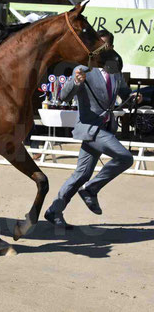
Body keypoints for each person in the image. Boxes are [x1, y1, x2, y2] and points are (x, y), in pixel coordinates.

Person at [44, 30, 143, 229]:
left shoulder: (114, 69)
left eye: (104, 45)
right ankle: (90, 189)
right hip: (91, 128)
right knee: (125, 158)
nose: (99, 49)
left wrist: (134, 97)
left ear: (111, 48)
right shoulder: (83, 69)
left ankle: (54, 210)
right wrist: (76, 81)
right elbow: (63, 96)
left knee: (81, 174)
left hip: (106, 127)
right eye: (96, 45)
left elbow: (124, 93)